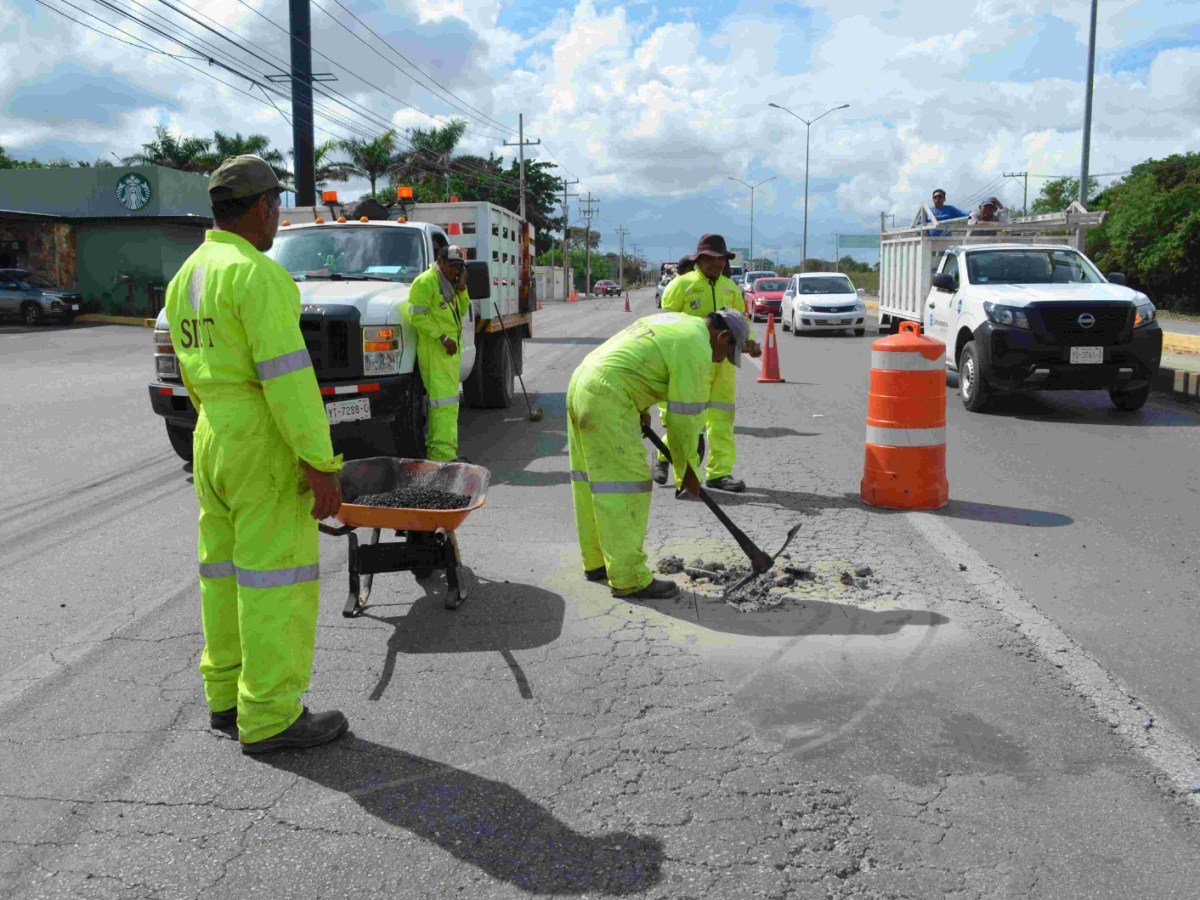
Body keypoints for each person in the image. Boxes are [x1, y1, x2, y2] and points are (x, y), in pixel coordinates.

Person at [165, 155, 347, 755]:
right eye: (277, 206)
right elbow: (289, 380)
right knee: (275, 578)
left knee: (221, 573)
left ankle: (225, 696)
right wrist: (319, 461)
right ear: (264, 206)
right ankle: (269, 713)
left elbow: (192, 375)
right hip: (258, 437)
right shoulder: (257, 275)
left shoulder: (188, 274)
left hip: (212, 432)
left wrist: (215, 425)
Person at [568, 309, 749, 599]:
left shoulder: (682, 324)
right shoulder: (698, 348)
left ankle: (598, 562)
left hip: (585, 381)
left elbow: (637, 360)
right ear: (723, 336)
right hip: (608, 394)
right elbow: (684, 418)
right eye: (726, 353)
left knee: (592, 480)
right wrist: (687, 470)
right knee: (626, 486)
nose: (720, 361)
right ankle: (629, 577)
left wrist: (639, 407)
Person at [657, 234, 760, 492]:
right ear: (699, 259)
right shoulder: (681, 285)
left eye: (721, 260)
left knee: (722, 418)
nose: (717, 264)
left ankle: (720, 473)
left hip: (723, 363)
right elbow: (666, 325)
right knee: (687, 419)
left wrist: (750, 342)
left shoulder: (730, 287)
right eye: (711, 259)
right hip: (690, 365)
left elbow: (741, 320)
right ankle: (665, 457)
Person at [403, 245, 470, 461]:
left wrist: (462, 289)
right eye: (452, 266)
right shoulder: (425, 282)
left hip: (448, 353)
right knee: (442, 405)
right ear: (440, 261)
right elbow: (417, 317)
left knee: (449, 405)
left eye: (459, 267)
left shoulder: (449, 285)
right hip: (435, 351)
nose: (455, 271)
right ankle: (441, 456)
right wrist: (442, 337)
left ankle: (447, 453)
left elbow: (462, 311)